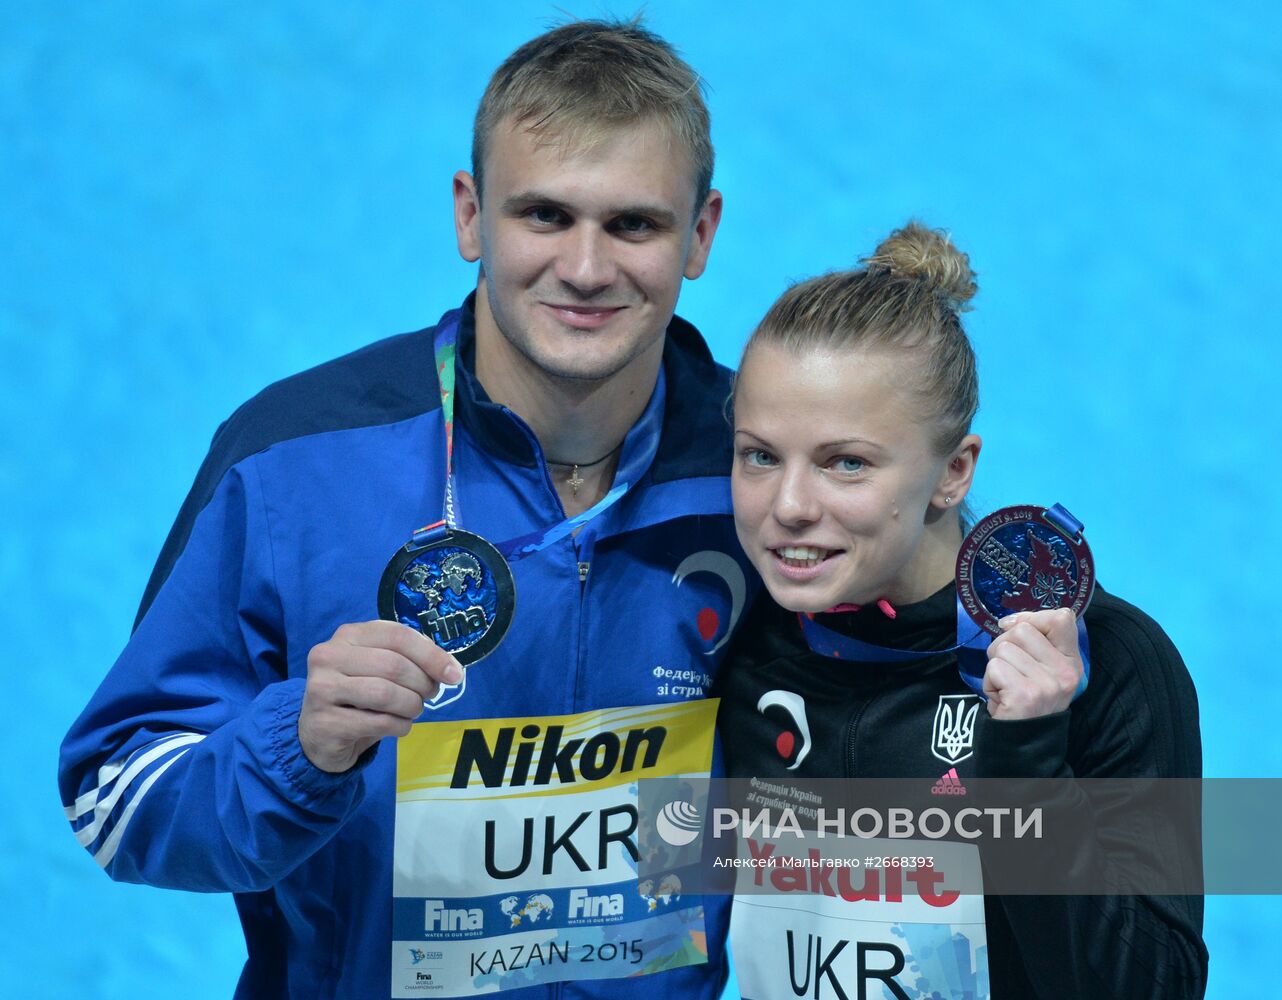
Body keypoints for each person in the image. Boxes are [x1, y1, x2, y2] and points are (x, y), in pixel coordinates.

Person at [60, 20, 757, 999]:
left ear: (701, 233)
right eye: (545, 216)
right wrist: (295, 742)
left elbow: (935, 754)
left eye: (634, 224)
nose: (589, 268)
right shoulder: (293, 464)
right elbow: (112, 798)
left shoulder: (768, 475)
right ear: (471, 216)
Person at [714, 222, 1207, 998]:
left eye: (847, 463)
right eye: (760, 455)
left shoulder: (1106, 663)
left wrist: (1028, 767)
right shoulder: (745, 642)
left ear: (953, 471)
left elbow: (1153, 989)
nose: (791, 506)